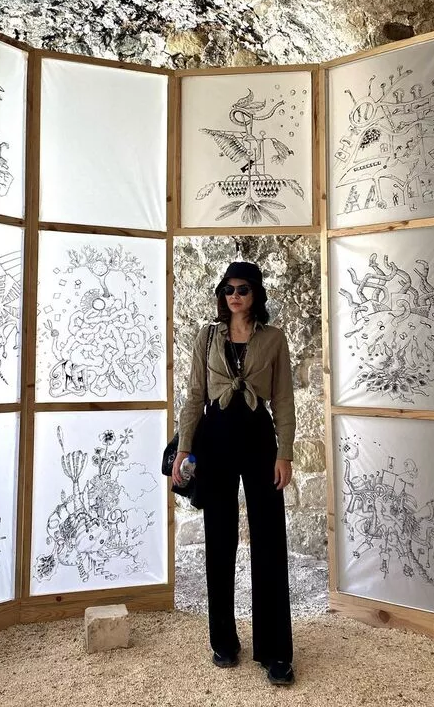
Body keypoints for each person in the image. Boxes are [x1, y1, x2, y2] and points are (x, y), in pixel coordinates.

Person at [172, 261, 295, 687]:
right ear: (221, 294)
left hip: (259, 439)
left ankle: (275, 652)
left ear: (256, 293)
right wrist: (184, 448)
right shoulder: (207, 336)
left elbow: (283, 399)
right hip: (216, 439)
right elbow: (194, 395)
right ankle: (223, 640)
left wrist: (285, 453)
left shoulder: (274, 339)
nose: (235, 296)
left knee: (269, 540)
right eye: (228, 289)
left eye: (243, 288)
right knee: (219, 539)